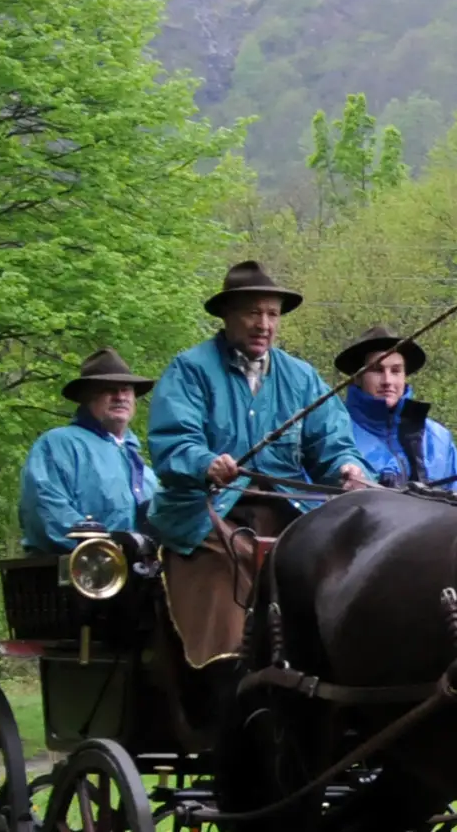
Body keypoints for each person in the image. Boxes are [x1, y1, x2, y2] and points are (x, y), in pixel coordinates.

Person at [145, 259, 372, 668]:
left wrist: (348, 469)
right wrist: (206, 463)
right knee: (231, 569)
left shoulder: (301, 378)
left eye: (271, 314)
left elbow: (333, 446)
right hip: (206, 517)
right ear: (227, 316)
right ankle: (222, 675)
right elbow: (173, 444)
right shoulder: (190, 371)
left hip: (286, 514)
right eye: (252, 312)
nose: (263, 324)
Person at [18, 348, 156, 554]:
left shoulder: (145, 471)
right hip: (72, 575)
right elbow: (45, 510)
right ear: (87, 396)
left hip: (141, 576)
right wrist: (106, 548)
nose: (120, 397)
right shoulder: (58, 444)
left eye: (126, 389)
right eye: (109, 389)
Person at [335, 323, 457, 494]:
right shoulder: (334, 434)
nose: (388, 381)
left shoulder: (438, 438)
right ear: (357, 377)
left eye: (396, 371)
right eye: (377, 370)